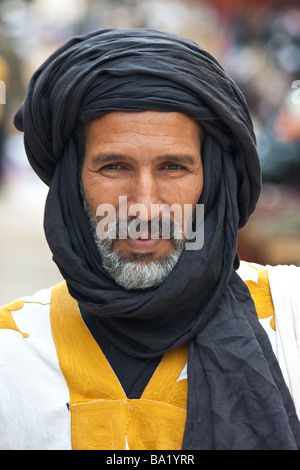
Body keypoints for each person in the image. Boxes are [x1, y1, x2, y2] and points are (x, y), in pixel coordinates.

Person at [0, 28, 300, 451]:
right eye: (114, 167)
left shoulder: (291, 319)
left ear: (211, 181)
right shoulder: (11, 350)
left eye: (173, 168)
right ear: (72, 182)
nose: (143, 207)